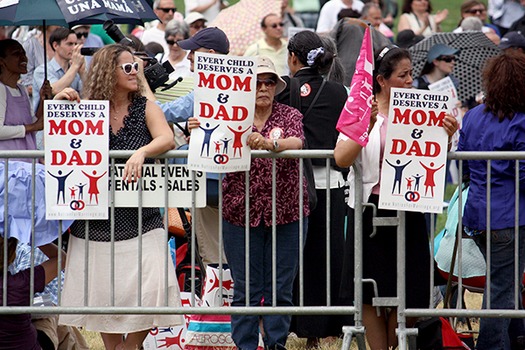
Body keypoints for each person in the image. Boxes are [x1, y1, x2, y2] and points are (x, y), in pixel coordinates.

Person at [56, 44, 183, 350]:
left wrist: (141, 152)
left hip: (144, 217)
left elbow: (167, 138)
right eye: (127, 67)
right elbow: (60, 144)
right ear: (106, 73)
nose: (135, 72)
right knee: (101, 295)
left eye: (136, 67)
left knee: (154, 289)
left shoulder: (146, 107)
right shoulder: (86, 108)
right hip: (95, 219)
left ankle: (130, 347)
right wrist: (60, 104)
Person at [333, 45, 458, 350]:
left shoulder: (422, 108)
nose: (409, 80)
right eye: (402, 75)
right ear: (381, 80)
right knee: (369, 292)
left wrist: (449, 134)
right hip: (368, 210)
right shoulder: (361, 108)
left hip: (408, 205)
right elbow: (341, 158)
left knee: (410, 288)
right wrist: (369, 125)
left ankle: (398, 343)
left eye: (411, 74)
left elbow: (437, 157)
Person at [188, 56, 309, 350]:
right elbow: (207, 141)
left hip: (288, 211)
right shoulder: (226, 115)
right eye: (257, 82)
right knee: (246, 289)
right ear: (244, 86)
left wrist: (273, 145)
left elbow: (298, 142)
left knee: (281, 287)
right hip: (238, 212)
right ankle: (245, 346)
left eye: (269, 82)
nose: (263, 87)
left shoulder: (289, 114)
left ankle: (276, 344)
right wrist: (199, 127)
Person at [274, 30, 348, 348]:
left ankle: (290, 323)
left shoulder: (279, 88)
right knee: (325, 257)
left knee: (292, 256)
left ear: (293, 57)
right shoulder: (338, 92)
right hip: (328, 182)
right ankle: (322, 328)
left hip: (289, 183)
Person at [457, 51, 525, 350]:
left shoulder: (472, 115)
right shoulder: (521, 121)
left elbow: (461, 167)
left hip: (478, 214)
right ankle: (492, 346)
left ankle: (514, 339)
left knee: (504, 284)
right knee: (502, 292)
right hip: (510, 216)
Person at [0, 237, 66, 350]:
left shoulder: (20, 281)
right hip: (28, 317)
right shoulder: (20, 282)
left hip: (25, 307)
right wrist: (34, 234)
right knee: (50, 312)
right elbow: (61, 258)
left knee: (54, 314)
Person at [0, 39, 50, 157]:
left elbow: (32, 124)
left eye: (24, 54)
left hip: (25, 161)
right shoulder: (1, 89)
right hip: (9, 166)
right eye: (17, 54)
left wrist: (43, 100)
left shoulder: (22, 89)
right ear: (1, 61)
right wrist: (33, 126)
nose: (24, 59)